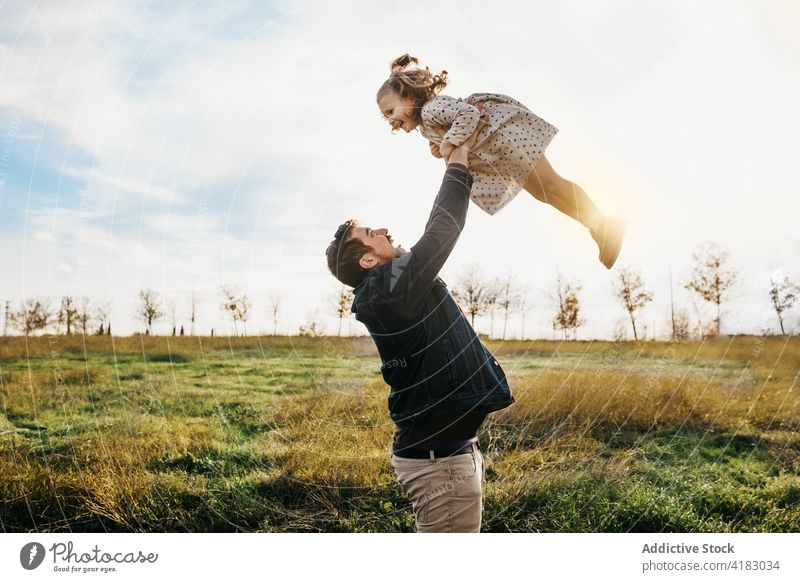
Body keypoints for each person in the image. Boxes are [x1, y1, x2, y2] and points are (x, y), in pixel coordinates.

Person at [326, 115, 513, 532]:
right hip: (439, 464)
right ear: (367, 260)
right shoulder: (389, 289)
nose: (384, 229)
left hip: (448, 455)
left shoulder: (388, 288)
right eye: (372, 233)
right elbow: (443, 229)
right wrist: (457, 163)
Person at [376, 53, 626, 269]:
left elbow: (468, 113)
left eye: (390, 111)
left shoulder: (431, 109)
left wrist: (448, 143)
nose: (390, 120)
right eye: (385, 116)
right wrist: (441, 145)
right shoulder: (425, 126)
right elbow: (449, 137)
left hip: (505, 137)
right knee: (544, 194)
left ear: (409, 98)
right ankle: (596, 227)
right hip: (499, 150)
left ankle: (603, 223)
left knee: (551, 184)